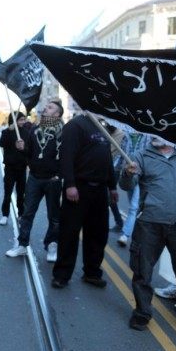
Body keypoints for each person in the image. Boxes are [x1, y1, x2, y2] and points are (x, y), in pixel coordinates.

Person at [119, 135, 176, 330]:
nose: (155, 136)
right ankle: (142, 313)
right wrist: (128, 174)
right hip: (149, 224)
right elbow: (126, 186)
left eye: (160, 133)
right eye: (153, 133)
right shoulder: (140, 156)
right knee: (142, 271)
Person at [51, 113, 117, 289]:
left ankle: (92, 273)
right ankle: (62, 275)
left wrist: (112, 186)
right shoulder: (75, 125)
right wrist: (70, 184)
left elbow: (107, 159)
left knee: (98, 234)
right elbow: (66, 156)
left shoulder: (103, 127)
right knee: (69, 233)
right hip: (79, 188)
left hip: (100, 190)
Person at [5, 100, 63, 262]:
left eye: (50, 107)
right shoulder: (35, 129)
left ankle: (52, 245)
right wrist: (22, 148)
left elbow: (67, 157)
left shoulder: (63, 132)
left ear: (57, 114)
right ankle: (22, 245)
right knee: (27, 213)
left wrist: (59, 175)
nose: (45, 108)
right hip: (35, 178)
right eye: (46, 106)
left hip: (53, 180)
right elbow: (29, 153)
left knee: (54, 216)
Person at [116, 132, 150, 247]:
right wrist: (114, 170)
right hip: (128, 175)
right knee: (135, 206)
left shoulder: (148, 137)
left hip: (141, 175)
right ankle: (138, 232)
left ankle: (125, 234)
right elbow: (121, 155)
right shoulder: (126, 136)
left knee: (134, 207)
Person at [0, 111, 28, 225]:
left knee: (21, 194)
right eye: (20, 120)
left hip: (22, 168)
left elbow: (29, 150)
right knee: (8, 193)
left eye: (24, 119)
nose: (23, 122)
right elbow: (1, 143)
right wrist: (8, 131)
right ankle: (5, 215)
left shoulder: (26, 132)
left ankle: (21, 214)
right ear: (14, 120)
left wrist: (23, 148)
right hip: (10, 168)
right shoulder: (6, 132)